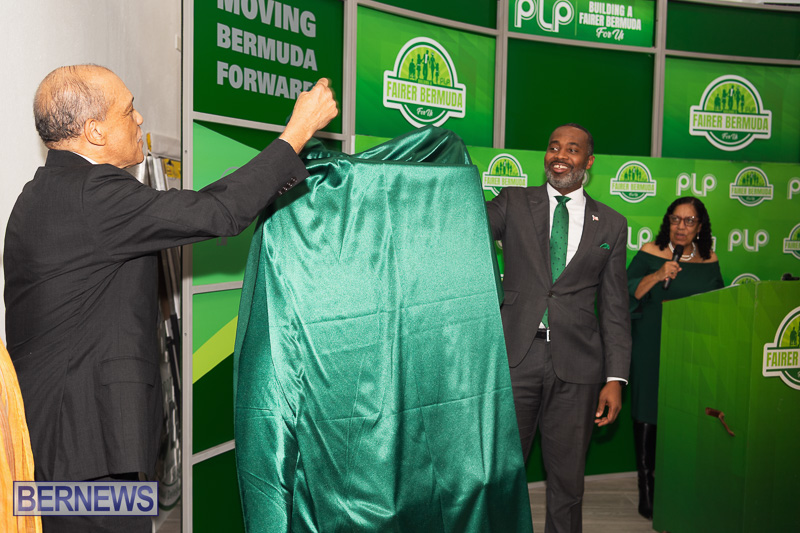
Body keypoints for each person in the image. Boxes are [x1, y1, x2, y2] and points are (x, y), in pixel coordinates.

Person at [3, 64, 337, 532]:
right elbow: (219, 211)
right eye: (129, 111)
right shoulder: (94, 195)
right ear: (95, 131)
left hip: (53, 443)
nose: (139, 119)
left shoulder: (37, 195)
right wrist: (296, 133)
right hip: (91, 453)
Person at [485, 123, 631, 533]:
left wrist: (616, 378)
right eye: (553, 147)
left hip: (578, 366)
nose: (560, 155)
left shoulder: (612, 224)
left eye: (572, 149)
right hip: (516, 358)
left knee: (568, 481)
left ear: (589, 161)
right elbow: (466, 223)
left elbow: (615, 307)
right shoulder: (514, 201)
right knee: (501, 472)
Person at [626, 196, 723, 520]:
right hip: (650, 345)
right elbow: (623, 293)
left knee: (685, 413)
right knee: (648, 409)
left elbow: (719, 303)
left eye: (689, 220)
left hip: (692, 350)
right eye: (675, 219)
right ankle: (647, 488)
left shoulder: (710, 259)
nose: (681, 226)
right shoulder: (650, 252)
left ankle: (678, 485)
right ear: (667, 221)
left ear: (700, 226)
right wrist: (658, 274)